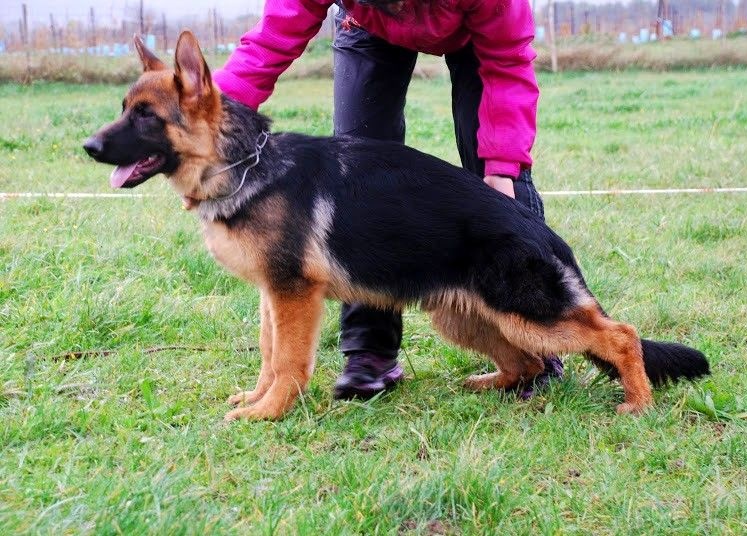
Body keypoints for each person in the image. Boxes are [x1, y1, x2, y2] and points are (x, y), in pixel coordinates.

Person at [214, 0, 564, 400]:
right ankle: (370, 352)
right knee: (356, 176)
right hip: (368, 30)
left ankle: (541, 336)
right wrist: (211, 113)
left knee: (502, 182)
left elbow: (508, 62)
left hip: (476, 32)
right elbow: (270, 42)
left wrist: (502, 169)